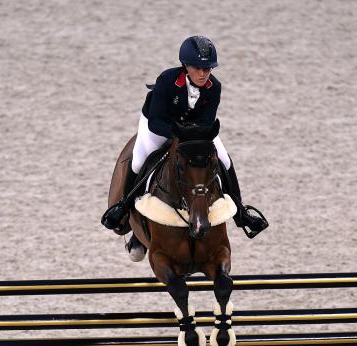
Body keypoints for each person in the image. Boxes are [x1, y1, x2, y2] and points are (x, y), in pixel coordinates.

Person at [102, 35, 268, 238]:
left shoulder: (214, 87)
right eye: (197, 68)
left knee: (224, 159)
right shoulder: (166, 80)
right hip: (159, 125)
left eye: (207, 69)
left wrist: (192, 139)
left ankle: (241, 213)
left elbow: (207, 122)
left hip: (193, 131)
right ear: (185, 66)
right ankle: (123, 208)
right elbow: (155, 122)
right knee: (138, 160)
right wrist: (177, 136)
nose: (203, 73)